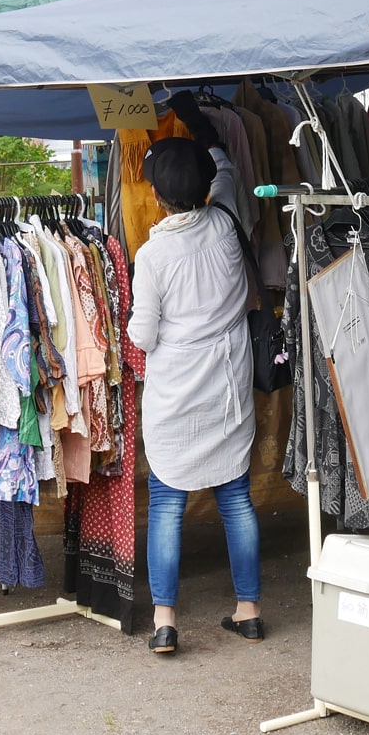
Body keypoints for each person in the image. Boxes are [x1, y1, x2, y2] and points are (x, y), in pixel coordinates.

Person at [127, 92, 263, 655]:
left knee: (167, 504)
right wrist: (197, 118)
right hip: (228, 383)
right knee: (236, 499)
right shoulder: (228, 218)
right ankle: (249, 611)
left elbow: (142, 335)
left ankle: (165, 622)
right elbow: (226, 163)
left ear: (156, 198)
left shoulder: (153, 257)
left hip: (177, 392)